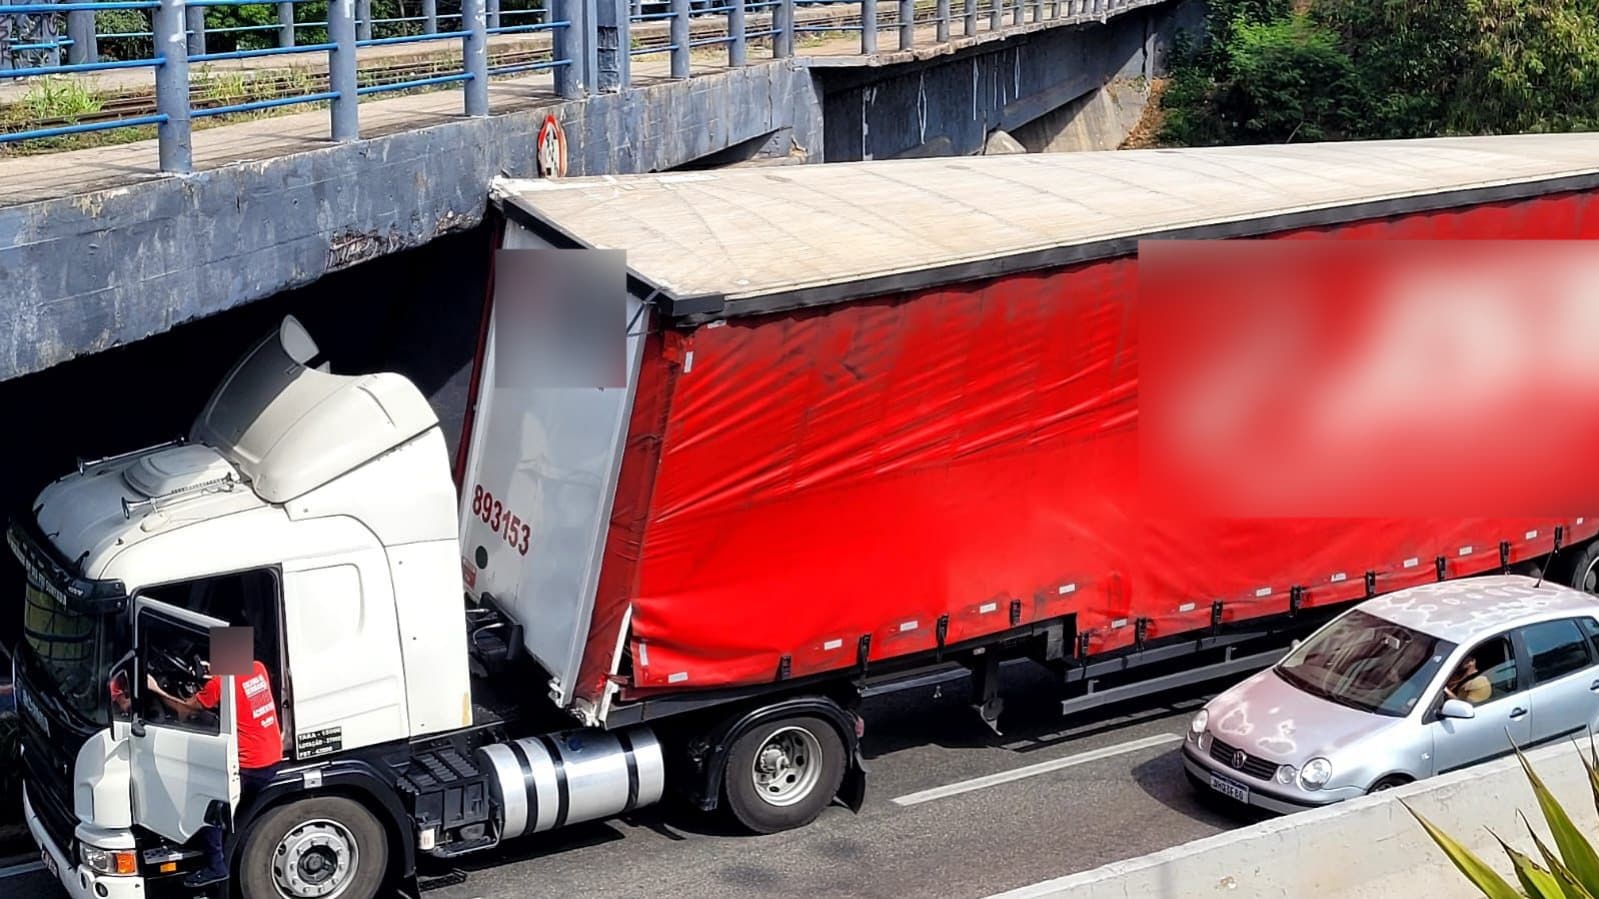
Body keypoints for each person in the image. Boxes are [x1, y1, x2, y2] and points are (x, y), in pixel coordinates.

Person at [147, 656, 283, 888]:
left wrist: (155, 689)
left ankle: (216, 867)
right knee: (237, 814)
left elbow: (185, 710)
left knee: (209, 806)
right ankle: (227, 844)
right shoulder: (258, 666)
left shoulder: (220, 684)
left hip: (250, 765)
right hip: (272, 755)